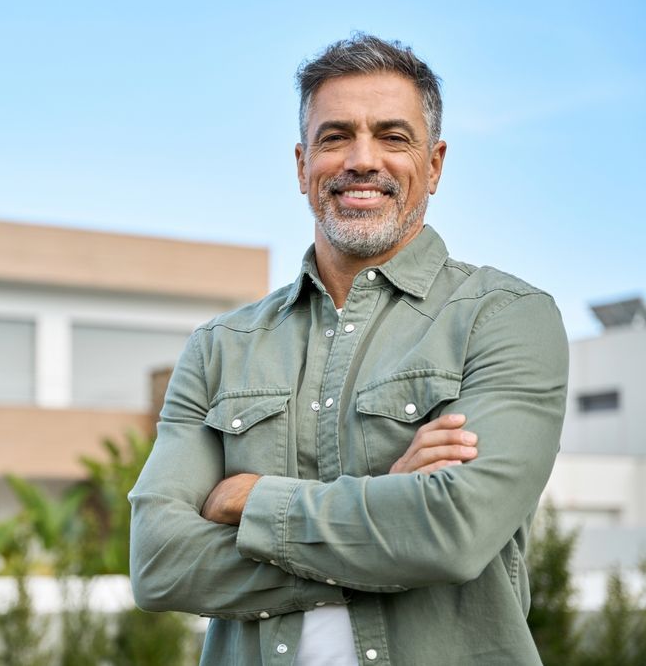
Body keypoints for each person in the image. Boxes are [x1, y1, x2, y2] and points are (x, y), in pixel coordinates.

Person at [129, 33, 568, 665]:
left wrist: (252, 498)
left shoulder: (504, 318)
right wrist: (388, 511)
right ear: (302, 163)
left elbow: (452, 533)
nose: (363, 160)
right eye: (336, 137)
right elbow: (160, 563)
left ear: (436, 164)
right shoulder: (221, 347)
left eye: (393, 137)